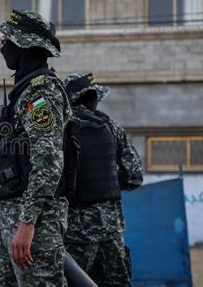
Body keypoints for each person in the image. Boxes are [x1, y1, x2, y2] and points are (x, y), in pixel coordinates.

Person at [0, 9, 71, 286]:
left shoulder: (40, 93)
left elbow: (49, 161)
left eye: (7, 39)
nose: (3, 46)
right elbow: (24, 150)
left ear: (24, 45)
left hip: (35, 227)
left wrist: (27, 224)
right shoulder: (25, 90)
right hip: (13, 221)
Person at [62, 73, 144, 286]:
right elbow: (134, 177)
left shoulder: (59, 129)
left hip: (74, 234)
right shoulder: (112, 127)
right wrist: (108, 183)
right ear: (91, 98)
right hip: (111, 232)